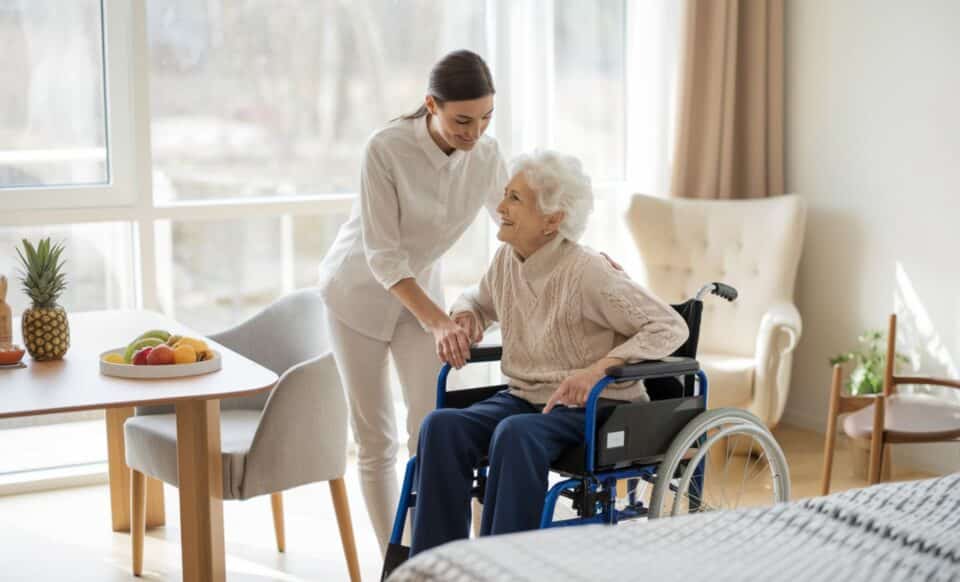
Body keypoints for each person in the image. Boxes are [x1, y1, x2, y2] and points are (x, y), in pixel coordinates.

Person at [409, 150, 689, 555]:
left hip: (595, 408)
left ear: (552, 221)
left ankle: (501, 569)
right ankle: (438, 567)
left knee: (515, 433)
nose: (501, 208)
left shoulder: (587, 271)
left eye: (515, 199)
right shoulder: (507, 259)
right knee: (441, 426)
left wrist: (598, 370)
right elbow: (477, 296)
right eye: (505, 195)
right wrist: (467, 314)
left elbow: (670, 326)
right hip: (526, 399)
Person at [317, 49, 506, 553]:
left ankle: (452, 552)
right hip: (356, 294)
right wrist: (441, 323)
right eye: (462, 120)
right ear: (431, 105)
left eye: (486, 117)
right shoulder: (386, 148)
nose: (475, 132)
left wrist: (573, 252)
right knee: (375, 439)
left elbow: (514, 226)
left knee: (433, 428)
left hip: (421, 296)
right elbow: (383, 256)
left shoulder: (486, 155)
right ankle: (396, 561)